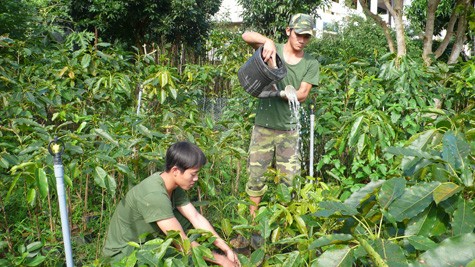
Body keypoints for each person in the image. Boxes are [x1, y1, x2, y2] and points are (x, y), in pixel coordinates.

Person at [103, 141, 240, 267]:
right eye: (193, 174)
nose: (196, 179)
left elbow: (195, 217)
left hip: (147, 240)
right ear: (175, 171)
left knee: (191, 226)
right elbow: (181, 243)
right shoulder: (155, 195)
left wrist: (226, 249)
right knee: (184, 252)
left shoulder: (172, 184)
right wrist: (221, 260)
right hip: (123, 254)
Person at [241, 13, 320, 218]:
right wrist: (267, 41)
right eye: (298, 35)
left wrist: (288, 93)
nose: (302, 40)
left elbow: (302, 94)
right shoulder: (272, 49)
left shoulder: (311, 63)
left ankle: (285, 228)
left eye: (306, 37)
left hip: (289, 131)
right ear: (288, 31)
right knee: (256, 178)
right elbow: (246, 35)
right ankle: (252, 224)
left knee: (290, 182)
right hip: (264, 127)